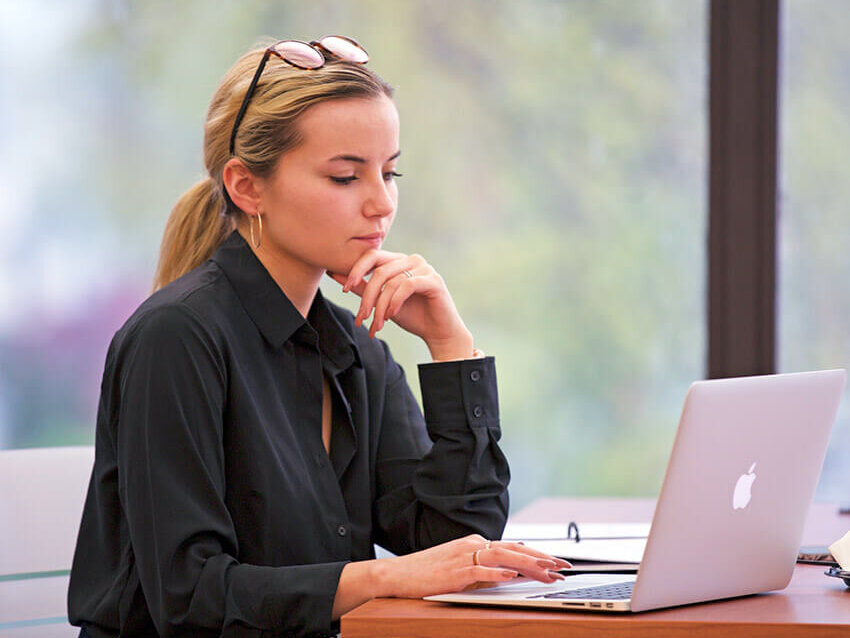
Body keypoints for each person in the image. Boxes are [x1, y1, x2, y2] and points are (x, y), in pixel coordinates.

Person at [67, 36, 569, 638]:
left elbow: (456, 543)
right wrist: (383, 578)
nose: (382, 204)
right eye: (344, 177)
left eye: (389, 172)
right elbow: (189, 595)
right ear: (246, 187)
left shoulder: (356, 350)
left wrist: (450, 346)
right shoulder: (175, 338)